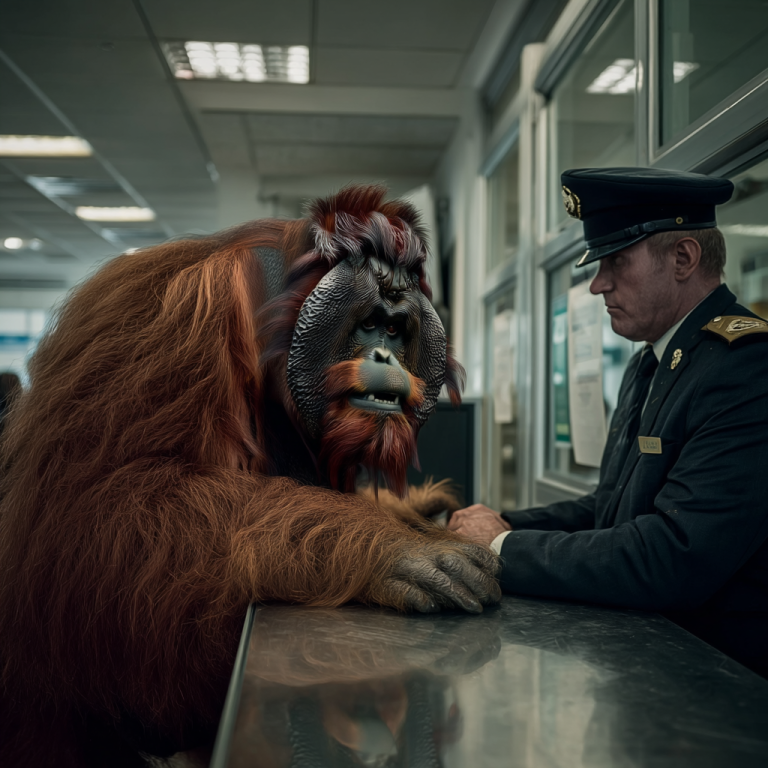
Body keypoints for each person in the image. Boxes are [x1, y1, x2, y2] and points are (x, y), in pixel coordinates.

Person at [449, 167, 768, 678]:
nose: (598, 284)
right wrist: (505, 523)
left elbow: (672, 555)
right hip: (653, 664)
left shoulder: (745, 367)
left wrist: (501, 548)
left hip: (721, 686)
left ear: (684, 258)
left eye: (617, 260)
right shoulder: (653, 362)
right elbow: (612, 508)